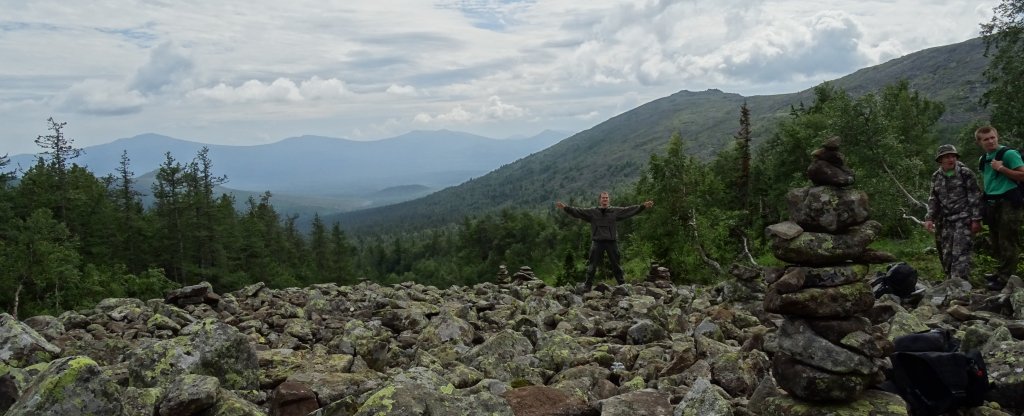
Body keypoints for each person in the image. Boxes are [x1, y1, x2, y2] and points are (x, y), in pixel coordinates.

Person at [556, 192, 653, 290]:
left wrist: (642, 206)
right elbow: (578, 211)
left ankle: (622, 285)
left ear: (609, 199)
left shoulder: (615, 211)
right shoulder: (592, 212)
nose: (605, 199)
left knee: (616, 265)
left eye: (606, 198)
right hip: (597, 242)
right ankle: (587, 285)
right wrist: (565, 208)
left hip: (611, 242)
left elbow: (629, 210)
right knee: (592, 265)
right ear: (600, 200)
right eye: (603, 198)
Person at [923, 144, 982, 283]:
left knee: (960, 252)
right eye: (947, 157)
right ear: (940, 160)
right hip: (945, 221)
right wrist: (929, 218)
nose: (951, 159)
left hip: (963, 218)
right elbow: (933, 198)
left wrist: (976, 219)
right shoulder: (936, 176)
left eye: (953, 156)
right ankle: (950, 282)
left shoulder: (965, 173)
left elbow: (975, 196)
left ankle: (960, 287)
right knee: (947, 254)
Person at [976, 126, 1024, 291]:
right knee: (996, 240)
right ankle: (1001, 272)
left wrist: (1001, 168)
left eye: (992, 137)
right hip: (992, 203)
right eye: (986, 139)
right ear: (980, 142)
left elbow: (1022, 174)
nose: (990, 141)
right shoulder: (983, 159)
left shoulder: (1008, 154)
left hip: (1009, 202)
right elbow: (987, 179)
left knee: (1008, 241)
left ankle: (1005, 278)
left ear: (997, 137)